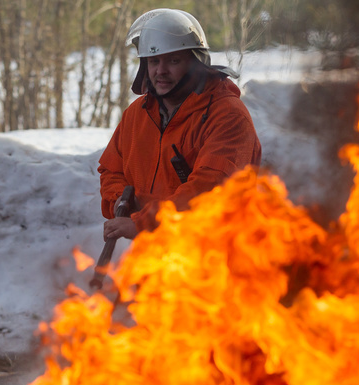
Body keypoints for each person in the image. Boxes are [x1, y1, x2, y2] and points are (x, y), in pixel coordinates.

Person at [98, 9, 262, 242]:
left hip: (215, 258)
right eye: (154, 61)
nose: (160, 71)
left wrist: (143, 223)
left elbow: (210, 189)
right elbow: (111, 169)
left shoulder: (228, 115)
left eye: (173, 60)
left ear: (196, 62)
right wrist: (120, 203)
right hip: (157, 255)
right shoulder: (136, 115)